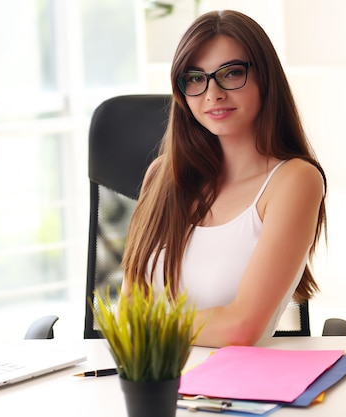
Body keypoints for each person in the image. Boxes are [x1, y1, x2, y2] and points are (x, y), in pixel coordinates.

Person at [121, 10, 326, 348]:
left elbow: (241, 329)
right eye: (195, 78)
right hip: (150, 377)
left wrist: (150, 323)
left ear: (265, 79)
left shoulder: (293, 181)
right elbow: (129, 311)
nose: (212, 93)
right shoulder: (160, 176)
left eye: (231, 73)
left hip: (237, 390)